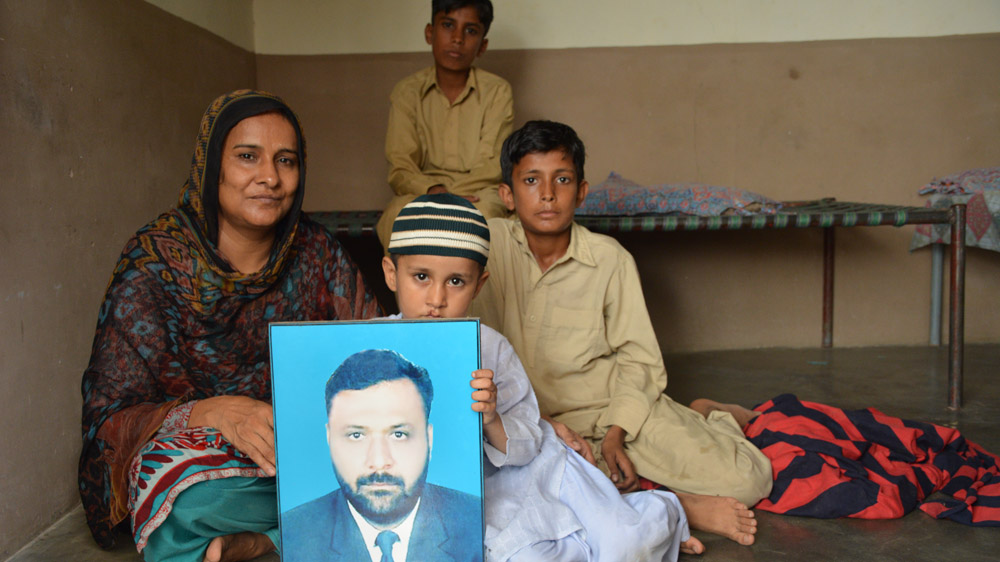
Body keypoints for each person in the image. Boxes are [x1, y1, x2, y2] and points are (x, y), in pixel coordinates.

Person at [78, 90, 380, 562]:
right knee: (185, 499)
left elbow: (378, 355)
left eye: (286, 160)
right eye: (247, 157)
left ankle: (267, 543)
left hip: (305, 450)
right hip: (209, 463)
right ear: (211, 166)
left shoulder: (318, 253)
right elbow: (110, 417)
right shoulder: (155, 263)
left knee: (409, 463)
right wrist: (211, 412)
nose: (270, 178)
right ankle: (307, 530)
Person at [468, 121, 773, 546]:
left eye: (562, 180)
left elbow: (640, 360)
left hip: (612, 409)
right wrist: (545, 424)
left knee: (749, 480)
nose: (548, 194)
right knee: (522, 509)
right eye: (531, 180)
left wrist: (616, 434)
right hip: (532, 423)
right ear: (507, 194)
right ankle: (680, 506)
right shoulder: (486, 247)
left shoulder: (610, 260)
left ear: (582, 190)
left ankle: (708, 415)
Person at [380, 193, 704, 560]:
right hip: (462, 496)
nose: (436, 298)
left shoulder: (491, 347)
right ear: (392, 274)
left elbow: (529, 438)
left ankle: (665, 510)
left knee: (624, 544)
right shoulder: (365, 348)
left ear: (479, 284)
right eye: (421, 277)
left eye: (456, 282)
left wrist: (492, 419)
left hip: (532, 473)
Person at [281, 349, 483, 561]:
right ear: (329, 439)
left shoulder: (476, 521)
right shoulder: (293, 534)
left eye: (398, 434)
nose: (378, 462)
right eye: (356, 435)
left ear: (429, 440)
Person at [376, 0, 513, 249]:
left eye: (470, 30)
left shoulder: (497, 92)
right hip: (423, 191)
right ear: (430, 33)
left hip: (478, 192)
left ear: (482, 46)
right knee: (395, 217)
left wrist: (453, 197)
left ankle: (478, 289)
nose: (458, 38)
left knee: (489, 219)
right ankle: (410, 289)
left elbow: (494, 165)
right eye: (448, 25)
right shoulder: (407, 92)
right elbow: (401, 166)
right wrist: (434, 190)